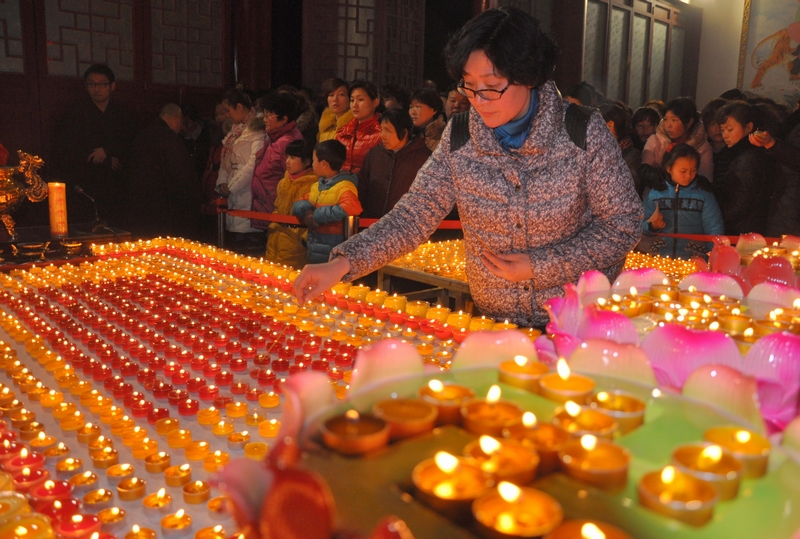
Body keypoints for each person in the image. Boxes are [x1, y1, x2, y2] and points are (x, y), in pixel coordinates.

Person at [293, 7, 642, 328]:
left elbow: (622, 224)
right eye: (469, 86)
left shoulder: (580, 132)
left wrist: (540, 265)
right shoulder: (461, 137)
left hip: (579, 321)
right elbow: (415, 214)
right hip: (494, 324)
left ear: (529, 75)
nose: (477, 101)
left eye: (491, 87)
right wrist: (343, 263)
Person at [51, 64, 136, 226]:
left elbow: (131, 141)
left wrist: (108, 151)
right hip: (86, 181)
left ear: (112, 86)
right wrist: (102, 158)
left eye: (102, 84)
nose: (97, 89)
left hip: (117, 183)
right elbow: (66, 149)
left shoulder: (123, 114)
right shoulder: (75, 113)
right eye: (91, 84)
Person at [124, 104, 199, 239]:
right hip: (164, 205)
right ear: (177, 119)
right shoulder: (170, 139)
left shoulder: (142, 135)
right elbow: (183, 175)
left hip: (138, 203)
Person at [642, 144, 723, 259]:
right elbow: (640, 225)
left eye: (693, 170)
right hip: (661, 260)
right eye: (683, 171)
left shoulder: (703, 195)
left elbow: (714, 229)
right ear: (669, 168)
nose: (689, 176)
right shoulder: (656, 194)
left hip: (695, 260)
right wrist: (652, 226)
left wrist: (714, 257)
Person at [292, 140, 363, 264]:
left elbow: (352, 206)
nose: (312, 164)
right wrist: (308, 212)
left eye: (314, 160)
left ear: (323, 164)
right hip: (315, 247)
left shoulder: (344, 186)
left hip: (334, 252)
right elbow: (298, 202)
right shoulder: (317, 186)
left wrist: (318, 216)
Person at [712, 101, 776, 235]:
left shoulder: (748, 159)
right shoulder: (735, 154)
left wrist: (712, 216)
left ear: (748, 128)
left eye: (730, 130)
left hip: (744, 231)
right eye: (723, 130)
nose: (725, 135)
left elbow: (739, 206)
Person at [216, 89, 267, 252]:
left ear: (239, 107)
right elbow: (226, 160)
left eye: (228, 110)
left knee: (247, 246)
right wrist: (222, 182)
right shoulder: (235, 130)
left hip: (248, 192)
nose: (227, 115)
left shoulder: (258, 128)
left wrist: (231, 188)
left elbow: (253, 164)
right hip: (234, 189)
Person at [358, 108, 432, 219]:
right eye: (381, 130)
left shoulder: (424, 158)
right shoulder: (375, 154)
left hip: (407, 226)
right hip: (372, 224)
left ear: (404, 132)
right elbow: (362, 187)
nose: (382, 135)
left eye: (388, 131)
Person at [250, 93, 303, 229]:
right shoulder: (275, 138)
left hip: (278, 212)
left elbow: (294, 180)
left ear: (283, 119)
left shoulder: (288, 142)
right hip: (268, 207)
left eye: (269, 116)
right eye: (265, 115)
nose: (265, 120)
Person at [264, 140, 318, 268]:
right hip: (275, 240)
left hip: (295, 245)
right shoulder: (284, 182)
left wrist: (302, 240)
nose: (287, 161)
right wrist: (272, 228)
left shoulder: (313, 185)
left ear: (306, 162)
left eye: (293, 158)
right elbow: (277, 208)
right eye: (287, 157)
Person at [641, 97, 713, 191]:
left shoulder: (703, 147)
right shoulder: (655, 141)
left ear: (689, 122)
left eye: (674, 120)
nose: (668, 125)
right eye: (666, 119)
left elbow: (705, 181)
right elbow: (645, 171)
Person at [335, 80, 383, 174]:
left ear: (375, 102)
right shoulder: (343, 131)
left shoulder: (381, 133)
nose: (354, 105)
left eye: (360, 100)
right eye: (352, 100)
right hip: (342, 185)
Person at [599, 101, 641, 197]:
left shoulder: (631, 156)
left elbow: (628, 190)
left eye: (594, 125)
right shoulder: (594, 151)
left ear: (610, 125)